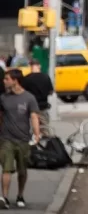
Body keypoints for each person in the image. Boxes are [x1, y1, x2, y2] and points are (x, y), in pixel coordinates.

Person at [0, 69, 41, 209]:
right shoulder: (3, 98)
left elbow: (34, 116)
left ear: (15, 81)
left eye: (6, 79)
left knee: (22, 170)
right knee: (6, 169)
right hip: (6, 139)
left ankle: (20, 195)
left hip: (23, 139)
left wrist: (37, 133)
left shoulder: (29, 98)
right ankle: (4, 197)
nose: (4, 81)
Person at [19, 61, 53, 134]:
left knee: (32, 127)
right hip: (43, 106)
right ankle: (45, 140)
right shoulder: (46, 77)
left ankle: (34, 140)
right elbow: (51, 91)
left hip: (30, 107)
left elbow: (22, 92)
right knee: (45, 127)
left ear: (30, 66)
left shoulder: (26, 78)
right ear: (39, 66)